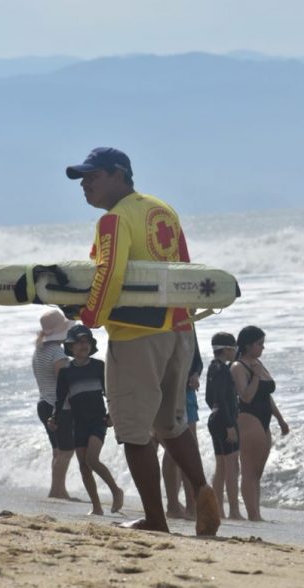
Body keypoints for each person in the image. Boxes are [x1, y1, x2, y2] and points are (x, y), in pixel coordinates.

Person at [65, 146, 219, 535]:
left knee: (133, 429)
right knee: (171, 424)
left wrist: (89, 317)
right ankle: (202, 490)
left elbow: (110, 274)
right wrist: (186, 328)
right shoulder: (162, 209)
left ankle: (155, 519)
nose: (85, 185)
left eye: (93, 176)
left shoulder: (114, 220)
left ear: (119, 175)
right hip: (179, 331)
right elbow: (185, 268)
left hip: (136, 336)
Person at [49, 325, 124, 515]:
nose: (84, 345)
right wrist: (54, 418)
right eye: (79, 342)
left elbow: (110, 393)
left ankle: (116, 491)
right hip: (78, 422)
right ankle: (96, 507)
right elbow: (60, 398)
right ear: (70, 347)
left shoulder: (99, 366)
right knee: (83, 465)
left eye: (87, 342)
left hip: (98, 420)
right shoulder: (66, 373)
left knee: (92, 459)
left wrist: (111, 415)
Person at [230, 326, 290, 521]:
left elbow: (267, 396)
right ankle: (253, 514)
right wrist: (255, 375)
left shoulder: (258, 363)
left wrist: (280, 419)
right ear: (248, 345)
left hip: (265, 419)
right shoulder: (239, 366)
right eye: (259, 344)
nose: (263, 347)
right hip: (248, 418)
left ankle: (256, 513)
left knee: (258, 471)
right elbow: (246, 396)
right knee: (249, 469)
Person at [31, 309, 76, 500]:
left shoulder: (39, 350)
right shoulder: (57, 352)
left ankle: (57, 489)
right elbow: (63, 382)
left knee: (57, 450)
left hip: (43, 403)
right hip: (58, 406)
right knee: (66, 451)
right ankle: (58, 491)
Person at [162, 341, 204, 520]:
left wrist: (195, 374)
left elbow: (197, 360)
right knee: (172, 447)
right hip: (165, 389)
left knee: (188, 446)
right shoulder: (167, 318)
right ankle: (173, 505)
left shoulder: (188, 322)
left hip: (186, 391)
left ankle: (191, 506)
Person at [206, 331, 242, 520]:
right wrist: (229, 424)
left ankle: (218, 509)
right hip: (225, 421)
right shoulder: (223, 370)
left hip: (214, 419)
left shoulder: (213, 367)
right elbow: (221, 397)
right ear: (227, 349)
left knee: (221, 466)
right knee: (231, 465)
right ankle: (234, 511)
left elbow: (209, 398)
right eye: (233, 347)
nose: (235, 350)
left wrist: (216, 413)